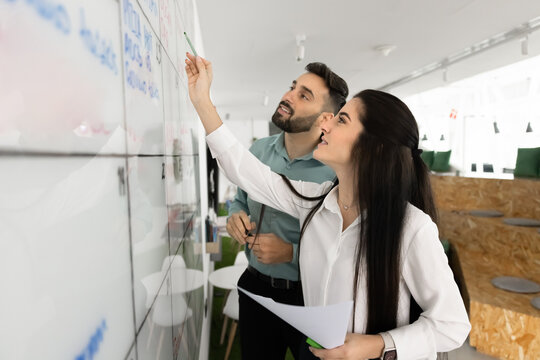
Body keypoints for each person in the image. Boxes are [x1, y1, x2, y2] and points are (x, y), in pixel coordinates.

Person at [185, 54, 471, 360]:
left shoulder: (411, 228)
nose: (327, 122)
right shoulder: (315, 201)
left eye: (342, 119)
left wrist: (376, 345)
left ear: (373, 149)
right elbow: (245, 170)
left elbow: (452, 325)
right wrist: (202, 100)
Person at [226, 61, 348, 359]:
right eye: (293, 86)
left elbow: (346, 244)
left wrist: (291, 253)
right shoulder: (259, 151)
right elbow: (240, 198)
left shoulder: (336, 171)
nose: (289, 95)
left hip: (310, 297)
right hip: (254, 284)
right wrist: (235, 213)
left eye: (304, 95)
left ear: (325, 118)